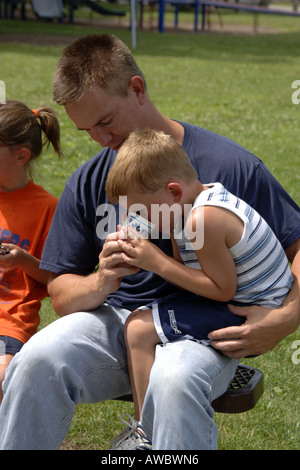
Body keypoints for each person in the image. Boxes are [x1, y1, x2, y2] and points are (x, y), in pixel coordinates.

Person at [0, 33, 299, 451]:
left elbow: (295, 244)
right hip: (118, 320)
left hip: (206, 331)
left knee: (173, 378)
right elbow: (61, 294)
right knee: (35, 360)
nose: (102, 141)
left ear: (137, 89)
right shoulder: (91, 180)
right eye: (87, 131)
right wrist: (102, 279)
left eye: (105, 122)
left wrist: (287, 317)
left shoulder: (229, 165)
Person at [105, 128, 294, 437]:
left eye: (140, 211)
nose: (137, 218)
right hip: (238, 297)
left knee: (138, 329)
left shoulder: (203, 218)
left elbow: (222, 289)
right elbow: (188, 271)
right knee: (144, 321)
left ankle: (144, 434)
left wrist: (156, 261)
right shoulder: (192, 204)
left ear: (174, 193)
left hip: (249, 308)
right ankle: (147, 428)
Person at [0, 100, 62, 402]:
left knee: (1, 377)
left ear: (20, 156)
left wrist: (22, 259)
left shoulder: (47, 208)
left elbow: (57, 281)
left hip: (9, 323)